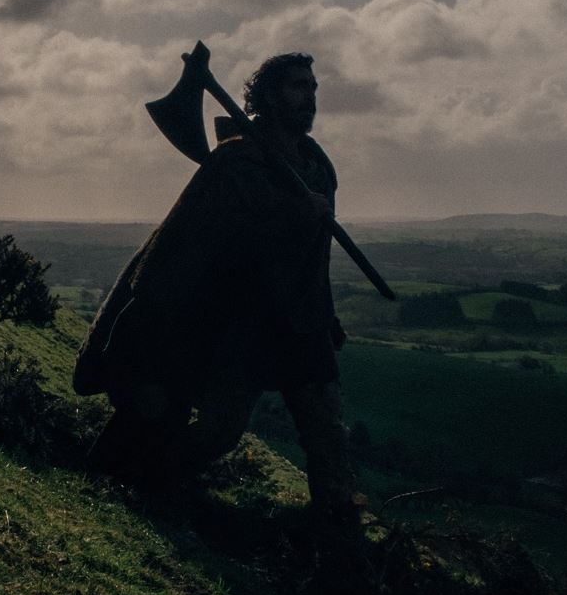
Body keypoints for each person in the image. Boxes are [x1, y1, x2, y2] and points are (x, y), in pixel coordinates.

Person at [73, 48, 361, 543]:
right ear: (269, 96)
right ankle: (146, 478)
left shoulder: (317, 167)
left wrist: (325, 314)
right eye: (297, 86)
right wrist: (295, 215)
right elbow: (220, 243)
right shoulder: (237, 163)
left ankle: (339, 547)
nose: (309, 96)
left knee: (328, 435)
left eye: (312, 87)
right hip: (245, 325)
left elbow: (313, 257)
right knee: (218, 432)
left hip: (302, 323)